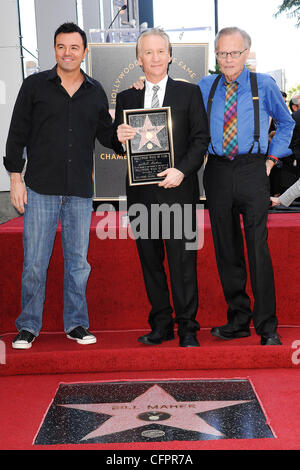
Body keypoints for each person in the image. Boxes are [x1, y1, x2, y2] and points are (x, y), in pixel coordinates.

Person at [3, 22, 123, 349]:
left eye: (74, 47)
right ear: (54, 49)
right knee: (34, 263)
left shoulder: (95, 91)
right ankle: (28, 326)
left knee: (78, 263)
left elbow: (107, 135)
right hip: (40, 187)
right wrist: (15, 177)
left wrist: (123, 136)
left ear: (85, 52)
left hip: (81, 191)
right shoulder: (34, 87)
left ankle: (77, 324)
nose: (67, 53)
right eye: (61, 47)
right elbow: (17, 135)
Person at [198, 26, 295, 346]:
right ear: (216, 54)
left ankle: (267, 326)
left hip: (253, 170)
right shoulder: (205, 86)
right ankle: (238, 320)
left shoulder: (264, 84)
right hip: (217, 172)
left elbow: (286, 123)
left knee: (257, 248)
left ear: (246, 54)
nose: (228, 59)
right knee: (226, 249)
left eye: (234, 53)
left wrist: (271, 160)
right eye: (222, 53)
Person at [115, 28, 209, 347]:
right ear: (139, 59)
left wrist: (181, 171)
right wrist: (120, 137)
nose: (155, 58)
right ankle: (161, 324)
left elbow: (200, 140)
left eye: (160, 51)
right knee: (151, 263)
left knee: (183, 262)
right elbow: (120, 146)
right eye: (148, 53)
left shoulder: (189, 93)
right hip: (141, 194)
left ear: (170, 56)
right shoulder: (126, 97)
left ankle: (187, 328)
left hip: (178, 191)